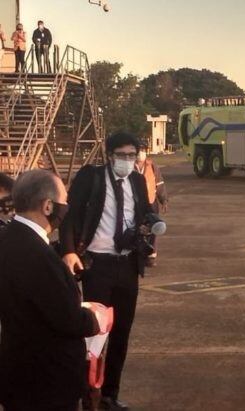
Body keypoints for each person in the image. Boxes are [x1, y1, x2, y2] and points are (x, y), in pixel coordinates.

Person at [60, 132, 154, 411]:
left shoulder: (137, 179)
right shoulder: (91, 177)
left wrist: (149, 241)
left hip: (126, 265)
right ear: (109, 155)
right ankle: (89, 396)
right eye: (121, 155)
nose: (127, 160)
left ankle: (110, 395)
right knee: (95, 333)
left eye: (132, 155)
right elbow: (71, 215)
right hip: (97, 265)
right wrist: (68, 251)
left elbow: (146, 213)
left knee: (122, 332)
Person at [0, 170, 100, 411]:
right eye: (64, 202)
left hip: (17, 370)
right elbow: (69, 320)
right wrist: (95, 317)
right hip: (46, 381)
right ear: (48, 206)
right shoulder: (38, 255)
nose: (66, 208)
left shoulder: (8, 238)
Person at [135, 141, 168, 267]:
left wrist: (163, 200)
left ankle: (151, 255)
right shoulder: (130, 167)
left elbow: (159, 184)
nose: (140, 153)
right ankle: (137, 253)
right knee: (137, 228)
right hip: (134, 205)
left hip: (151, 202)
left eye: (143, 150)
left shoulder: (152, 166)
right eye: (139, 150)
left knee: (153, 228)